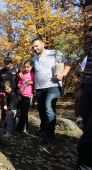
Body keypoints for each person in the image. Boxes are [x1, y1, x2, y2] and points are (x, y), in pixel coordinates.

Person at [31, 38, 70, 144]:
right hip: (39, 88)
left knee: (49, 108)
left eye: (37, 45)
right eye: (33, 47)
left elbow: (67, 64)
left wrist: (63, 74)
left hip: (53, 86)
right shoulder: (34, 58)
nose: (35, 48)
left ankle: (50, 135)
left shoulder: (55, 53)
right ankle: (44, 129)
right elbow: (34, 73)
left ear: (43, 44)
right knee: (41, 109)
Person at [77, 0, 92, 169]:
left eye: (91, 10)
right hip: (87, 88)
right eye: (87, 11)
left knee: (87, 143)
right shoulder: (90, 36)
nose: (88, 15)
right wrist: (81, 87)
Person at [0, 55, 18, 125]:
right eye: (5, 63)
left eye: (8, 63)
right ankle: (4, 123)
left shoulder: (16, 70)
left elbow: (18, 82)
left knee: (12, 108)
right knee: (4, 108)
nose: (6, 65)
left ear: (11, 63)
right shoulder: (1, 71)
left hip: (13, 93)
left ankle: (12, 123)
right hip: (3, 92)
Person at [17, 60, 35, 134]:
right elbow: (19, 82)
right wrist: (20, 86)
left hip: (28, 95)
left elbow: (36, 83)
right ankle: (22, 127)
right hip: (20, 94)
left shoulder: (33, 74)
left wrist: (32, 82)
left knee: (24, 112)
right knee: (20, 112)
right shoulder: (23, 73)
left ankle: (22, 129)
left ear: (32, 67)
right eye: (25, 67)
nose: (26, 68)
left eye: (28, 67)